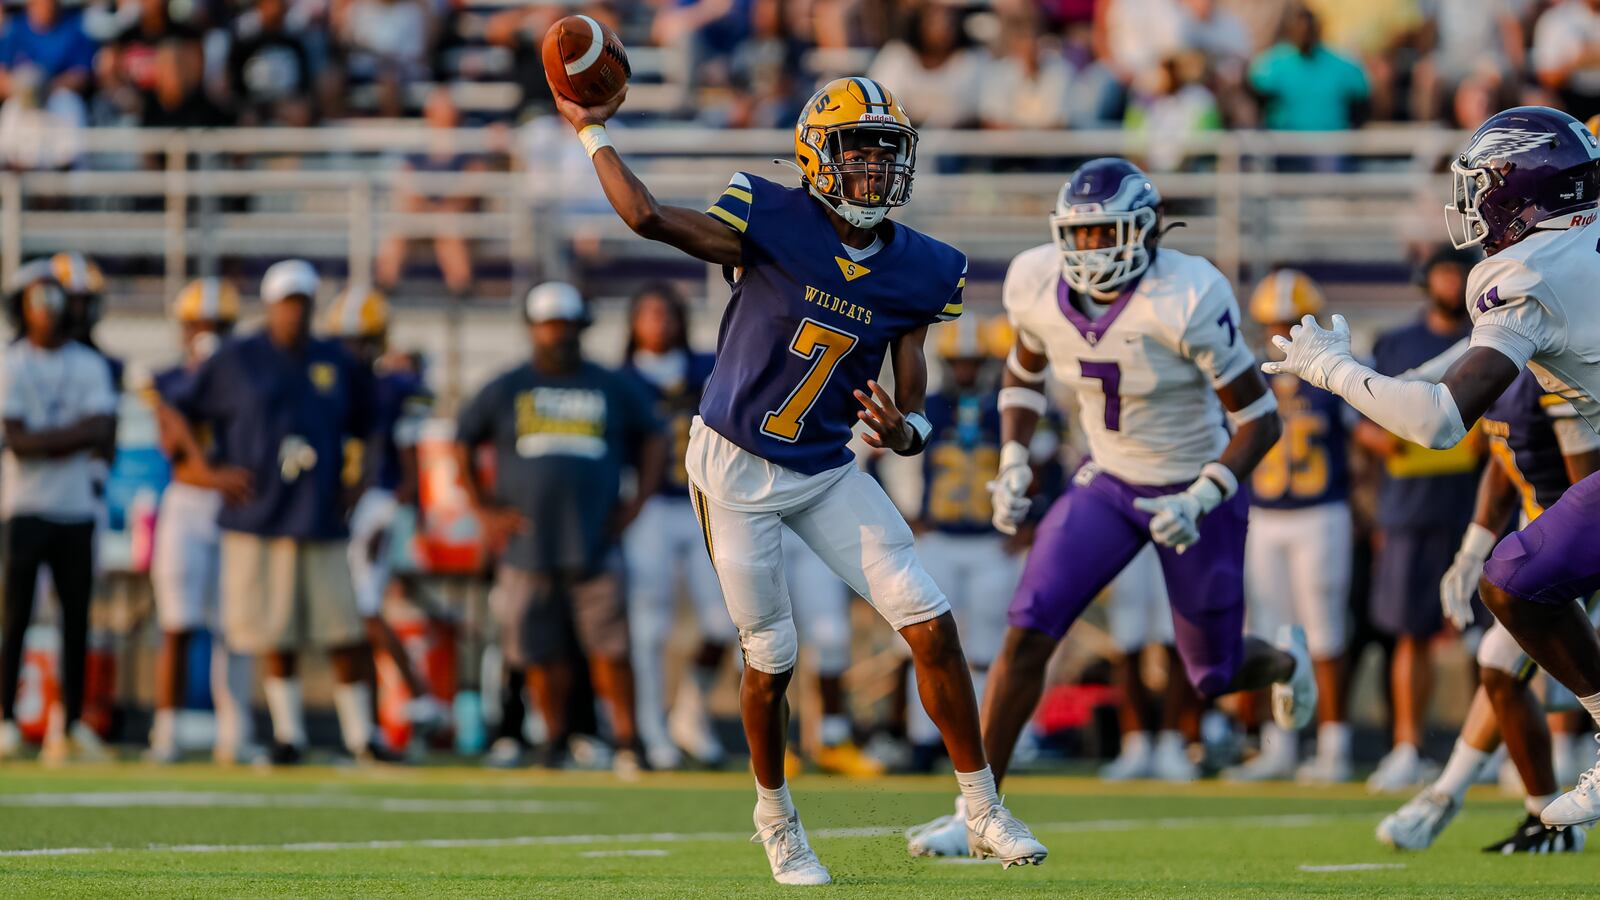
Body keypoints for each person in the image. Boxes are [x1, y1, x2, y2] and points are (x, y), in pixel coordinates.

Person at [550, 74, 1047, 883]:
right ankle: (775, 818)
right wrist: (591, 131)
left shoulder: (923, 267)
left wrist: (909, 430)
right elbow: (645, 216)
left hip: (822, 469)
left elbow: (910, 377)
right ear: (818, 155)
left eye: (887, 156)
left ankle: (982, 806)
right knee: (770, 655)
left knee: (930, 620)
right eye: (858, 153)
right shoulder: (769, 214)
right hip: (734, 465)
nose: (874, 172)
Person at [906, 158, 1313, 858]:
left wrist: (1204, 494)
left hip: (1196, 486)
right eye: (1080, 235)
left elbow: (1261, 421)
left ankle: (1281, 663)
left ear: (1146, 230)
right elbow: (1026, 367)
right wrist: (1012, 458)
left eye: (1106, 234)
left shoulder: (1185, 293)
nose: (1091, 250)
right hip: (1108, 482)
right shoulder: (1035, 280)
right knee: (1028, 630)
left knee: (1209, 673)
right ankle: (978, 810)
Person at [1263, 105, 1600, 829]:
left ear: (1523, 187)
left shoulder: (1523, 271)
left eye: (1484, 183)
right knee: (1515, 577)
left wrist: (1336, 372)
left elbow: (1438, 421)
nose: (1473, 202)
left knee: (1514, 582)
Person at [168, 259, 394, 766]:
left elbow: (372, 423)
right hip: (260, 513)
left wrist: (358, 479)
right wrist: (207, 471)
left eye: (302, 302)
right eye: (286, 302)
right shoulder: (237, 358)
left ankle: (361, 735)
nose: (294, 312)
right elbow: (176, 405)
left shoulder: (334, 360)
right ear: (270, 306)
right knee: (274, 631)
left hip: (318, 511)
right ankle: (288, 733)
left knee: (343, 628)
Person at [1378, 364, 1599, 853]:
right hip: (1536, 547)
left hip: (1567, 557)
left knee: (1501, 665)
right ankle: (1540, 819)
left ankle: (1446, 798)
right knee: (1500, 668)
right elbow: (1504, 462)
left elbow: (1590, 497)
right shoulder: (1500, 366)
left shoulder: (1554, 373)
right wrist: (1472, 550)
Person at [455, 282, 665, 776]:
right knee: (537, 651)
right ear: (533, 328)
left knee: (610, 648)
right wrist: (482, 507)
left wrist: (637, 503)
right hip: (528, 543)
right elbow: (462, 439)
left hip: (595, 537)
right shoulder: (507, 385)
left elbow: (655, 436)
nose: (559, 334)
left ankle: (628, 741)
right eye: (550, 324)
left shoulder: (609, 383)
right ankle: (552, 739)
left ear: (580, 328)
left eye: (567, 324)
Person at [1357, 246, 1482, 794]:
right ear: (1426, 280)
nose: (1452, 283)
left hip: (1477, 503)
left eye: (1460, 272)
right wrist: (1398, 439)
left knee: (1491, 636)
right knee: (1410, 632)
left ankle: (1493, 748)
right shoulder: (1397, 343)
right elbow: (1362, 420)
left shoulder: (1492, 334)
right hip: (1410, 503)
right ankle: (1408, 746)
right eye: (1444, 273)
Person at [1235, 269, 1354, 784]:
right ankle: (1278, 743)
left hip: (1321, 513)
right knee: (1270, 632)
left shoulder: (1336, 371)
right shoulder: (1250, 374)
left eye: (1291, 321)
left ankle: (1333, 745)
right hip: (1265, 517)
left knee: (1324, 632)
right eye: (1274, 323)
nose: (1282, 332)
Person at [322, 284, 448, 743]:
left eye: (359, 340)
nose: (351, 349)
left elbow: (410, 465)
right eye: (345, 340)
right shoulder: (333, 382)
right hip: (350, 505)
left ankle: (419, 697)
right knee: (355, 615)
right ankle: (377, 720)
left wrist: (391, 516)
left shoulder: (394, 389)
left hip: (379, 502)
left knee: (362, 610)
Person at [616, 282, 734, 772]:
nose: (658, 323)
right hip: (647, 508)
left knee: (724, 621)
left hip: (701, 501)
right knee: (649, 627)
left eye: (666, 313)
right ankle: (650, 729)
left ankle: (690, 710)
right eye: (648, 314)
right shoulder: (619, 379)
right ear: (632, 323)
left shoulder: (705, 368)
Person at [0, 267, 115, 764]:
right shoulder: (12, 362)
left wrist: (45, 441)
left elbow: (103, 431)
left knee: (76, 619)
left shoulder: (88, 363)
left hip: (74, 509)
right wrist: (71, 435)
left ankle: (66, 724)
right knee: (15, 618)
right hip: (24, 506)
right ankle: (5, 718)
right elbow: (18, 444)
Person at [145, 278, 259, 765]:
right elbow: (175, 451)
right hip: (189, 506)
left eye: (217, 325)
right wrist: (213, 476)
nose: (206, 333)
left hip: (234, 510)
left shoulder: (249, 378)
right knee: (178, 623)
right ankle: (166, 730)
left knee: (236, 627)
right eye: (199, 324)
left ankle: (235, 731)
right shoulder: (171, 380)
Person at [902, 316, 1021, 770]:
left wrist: (1029, 524)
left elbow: (1048, 465)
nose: (967, 371)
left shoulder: (1006, 409)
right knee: (929, 642)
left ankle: (987, 737)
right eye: (960, 363)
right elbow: (879, 461)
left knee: (988, 645)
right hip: (940, 539)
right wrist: (905, 514)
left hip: (993, 542)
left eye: (973, 363)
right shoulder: (928, 405)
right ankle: (922, 740)